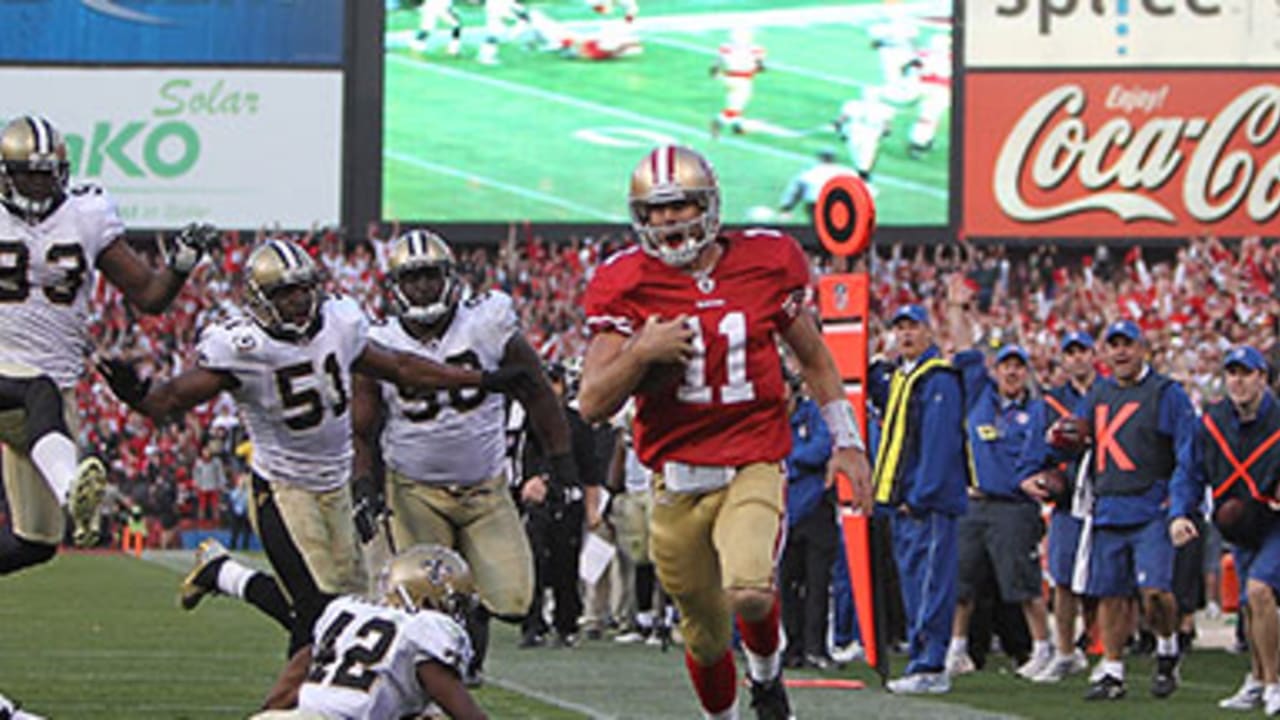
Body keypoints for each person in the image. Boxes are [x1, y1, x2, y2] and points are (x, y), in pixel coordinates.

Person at [96, 237, 532, 656]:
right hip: (285, 490)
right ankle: (299, 701)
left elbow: (401, 367)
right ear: (261, 299)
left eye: (305, 289)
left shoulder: (340, 324)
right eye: (286, 294)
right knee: (317, 614)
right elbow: (168, 401)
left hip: (335, 485)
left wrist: (484, 380)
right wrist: (136, 393)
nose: (299, 301)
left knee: (352, 609)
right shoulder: (244, 347)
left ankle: (223, 574)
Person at [578, 144, 872, 719]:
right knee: (705, 637)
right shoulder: (626, 282)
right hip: (676, 478)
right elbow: (592, 401)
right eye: (656, 210)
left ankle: (766, 677)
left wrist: (848, 441)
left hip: (752, 462)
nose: (667, 220)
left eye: (679, 205)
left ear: (708, 205)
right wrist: (642, 351)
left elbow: (812, 357)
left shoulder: (766, 260)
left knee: (750, 590)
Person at [349, 228, 572, 683]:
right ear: (395, 286)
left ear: (449, 277)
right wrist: (365, 485)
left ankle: (466, 630)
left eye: (430, 276)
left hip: (485, 486)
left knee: (513, 599)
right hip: (413, 488)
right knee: (423, 597)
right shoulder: (379, 339)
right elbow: (363, 429)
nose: (423, 287)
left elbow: (537, 392)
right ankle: (456, 672)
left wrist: (561, 461)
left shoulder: (486, 321)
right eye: (412, 279)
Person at [0, 114, 219, 572]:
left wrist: (180, 264)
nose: (38, 186)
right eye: (27, 175)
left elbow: (151, 297)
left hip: (50, 404)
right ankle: (70, 490)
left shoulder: (87, 213)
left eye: (46, 175)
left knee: (35, 543)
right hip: (16, 379)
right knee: (36, 390)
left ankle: (69, 492)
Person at [1055, 319, 1197, 701]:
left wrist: (1180, 507)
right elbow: (1074, 434)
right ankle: (1113, 670)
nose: (1120, 352)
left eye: (1127, 345)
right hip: (1108, 505)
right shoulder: (1099, 392)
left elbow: (1187, 453)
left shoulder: (1167, 393)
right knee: (1110, 594)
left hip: (1151, 504)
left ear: (1143, 349)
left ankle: (1167, 646)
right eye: (1113, 345)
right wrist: (1044, 459)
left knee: (1155, 592)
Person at [943, 279, 1053, 680]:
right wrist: (956, 310)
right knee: (963, 584)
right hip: (975, 503)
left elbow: (1047, 456)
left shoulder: (1039, 411)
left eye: (1018, 366)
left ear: (1025, 372)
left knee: (1023, 586)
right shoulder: (980, 395)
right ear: (998, 369)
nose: (1011, 372)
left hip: (1016, 508)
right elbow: (967, 351)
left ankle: (1043, 649)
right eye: (1006, 365)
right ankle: (957, 650)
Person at [252, 544, 487, 720]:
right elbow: (464, 713)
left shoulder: (347, 611)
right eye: (451, 603)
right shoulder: (423, 630)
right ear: (423, 599)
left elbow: (301, 664)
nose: (454, 612)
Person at [867, 302, 970, 695]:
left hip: (924, 503)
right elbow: (881, 391)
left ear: (929, 332)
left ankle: (930, 664)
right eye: (901, 328)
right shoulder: (904, 376)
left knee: (930, 584)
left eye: (914, 327)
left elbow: (939, 443)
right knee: (914, 585)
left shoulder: (937, 378)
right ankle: (920, 658)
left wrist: (921, 495)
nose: (906, 335)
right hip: (903, 500)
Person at [1171, 346, 1280, 714]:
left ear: (1262, 379)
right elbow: (1188, 470)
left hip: (1275, 521)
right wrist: (1180, 513)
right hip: (1240, 523)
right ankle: (1256, 677)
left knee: (1259, 590)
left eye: (1246, 373)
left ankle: (1274, 683)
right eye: (1232, 373)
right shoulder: (1212, 421)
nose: (1238, 380)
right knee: (1251, 605)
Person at [1030, 330, 1097, 683]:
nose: (1077, 359)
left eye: (1082, 351)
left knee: (1109, 582)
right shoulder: (1051, 401)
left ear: (1092, 354)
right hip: (1068, 497)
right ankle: (1066, 650)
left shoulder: (1109, 394)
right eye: (1070, 353)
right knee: (1063, 578)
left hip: (1107, 495)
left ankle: (1107, 647)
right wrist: (1035, 477)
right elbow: (1037, 452)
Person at [518, 362, 598, 649]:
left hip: (569, 499)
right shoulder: (530, 420)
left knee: (567, 565)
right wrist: (528, 483)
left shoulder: (578, 422)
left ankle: (566, 624)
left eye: (555, 382)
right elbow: (522, 460)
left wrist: (592, 509)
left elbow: (590, 471)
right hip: (538, 501)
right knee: (534, 563)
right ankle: (533, 623)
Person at [778, 371, 838, 670]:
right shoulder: (770, 420)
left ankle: (817, 647)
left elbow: (822, 447)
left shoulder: (812, 413)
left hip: (815, 509)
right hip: (784, 511)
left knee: (817, 583)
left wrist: (790, 457)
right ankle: (793, 646)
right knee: (786, 583)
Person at [710, 27, 765, 138]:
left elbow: (715, 66)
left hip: (728, 77)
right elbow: (760, 67)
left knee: (735, 103)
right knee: (735, 106)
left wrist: (716, 75)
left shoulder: (725, 48)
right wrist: (758, 68)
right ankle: (719, 123)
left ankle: (737, 124)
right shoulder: (755, 50)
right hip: (743, 80)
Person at [776, 151, 859, 224]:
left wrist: (787, 208)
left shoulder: (810, 173)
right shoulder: (847, 172)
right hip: (840, 204)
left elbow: (796, 191)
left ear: (820, 159)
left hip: (816, 204)